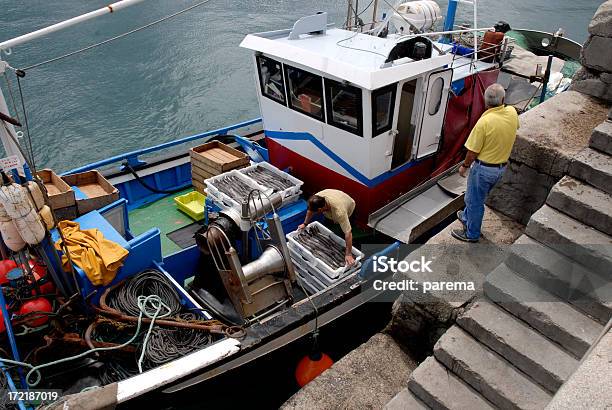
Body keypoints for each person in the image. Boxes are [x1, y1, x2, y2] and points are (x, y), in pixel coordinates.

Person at [452, 83, 519, 243]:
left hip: (484, 169)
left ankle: (471, 234)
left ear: (486, 102)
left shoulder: (484, 122)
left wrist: (465, 166)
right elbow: (515, 126)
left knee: (474, 201)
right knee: (475, 197)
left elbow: (473, 152)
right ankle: (467, 217)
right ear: (503, 99)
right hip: (500, 168)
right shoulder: (511, 112)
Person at [299, 189, 356, 266]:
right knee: (330, 230)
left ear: (320, 209)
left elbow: (348, 233)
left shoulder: (340, 212)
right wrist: (305, 224)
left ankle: (349, 249)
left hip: (347, 206)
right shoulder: (317, 199)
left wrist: (348, 254)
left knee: (344, 233)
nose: (314, 213)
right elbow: (310, 211)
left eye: (316, 212)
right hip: (333, 204)